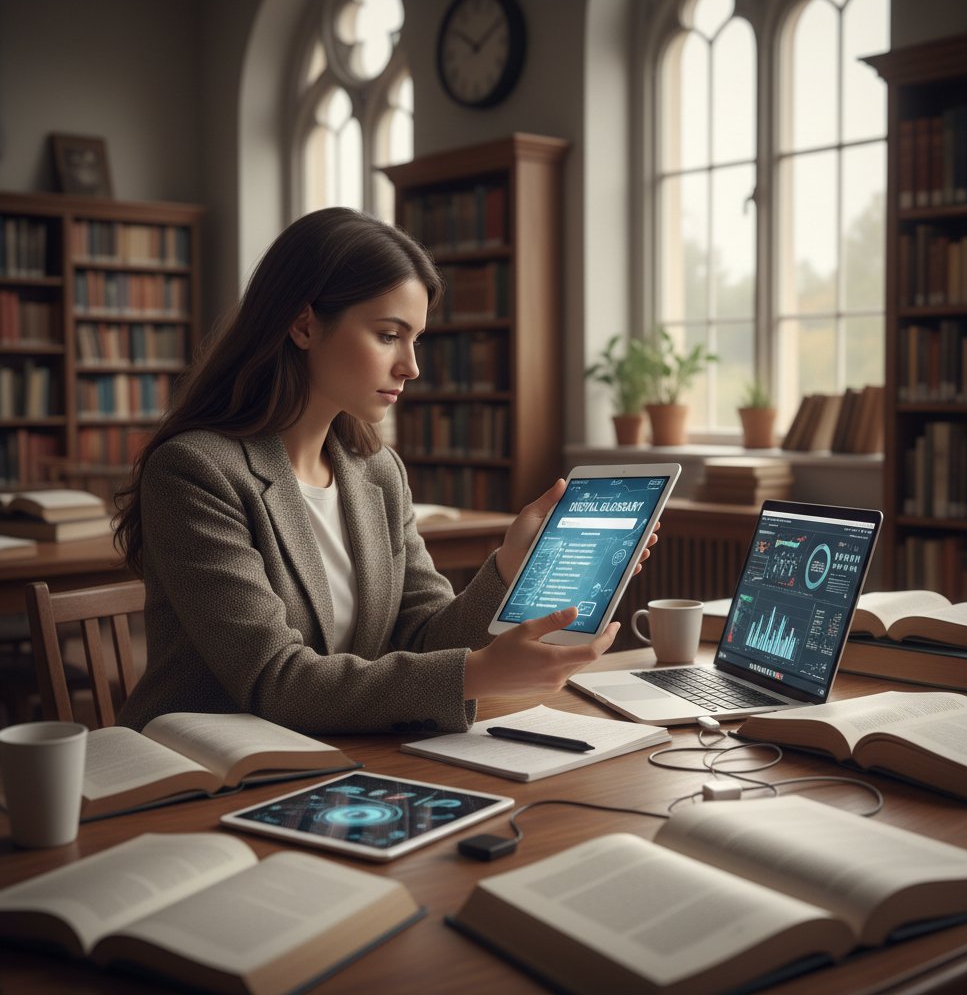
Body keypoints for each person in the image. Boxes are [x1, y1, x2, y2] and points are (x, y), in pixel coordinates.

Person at [114, 207, 656, 735]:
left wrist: (511, 567)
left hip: (340, 755)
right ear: (304, 324)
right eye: (388, 335)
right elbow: (275, 681)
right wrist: (478, 673)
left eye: (415, 339)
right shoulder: (195, 470)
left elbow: (424, 636)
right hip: (204, 772)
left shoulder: (376, 472)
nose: (412, 366)